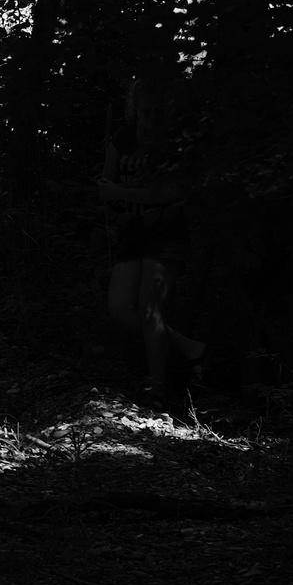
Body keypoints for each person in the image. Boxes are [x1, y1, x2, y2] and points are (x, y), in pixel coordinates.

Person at [97, 59, 207, 417]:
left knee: (150, 310)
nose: (151, 117)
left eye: (158, 111)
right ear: (136, 107)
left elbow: (171, 192)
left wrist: (123, 194)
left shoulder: (174, 142)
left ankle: (158, 391)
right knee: (120, 309)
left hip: (166, 232)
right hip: (132, 231)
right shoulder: (123, 138)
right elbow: (106, 183)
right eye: (146, 111)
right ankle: (189, 348)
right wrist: (118, 204)